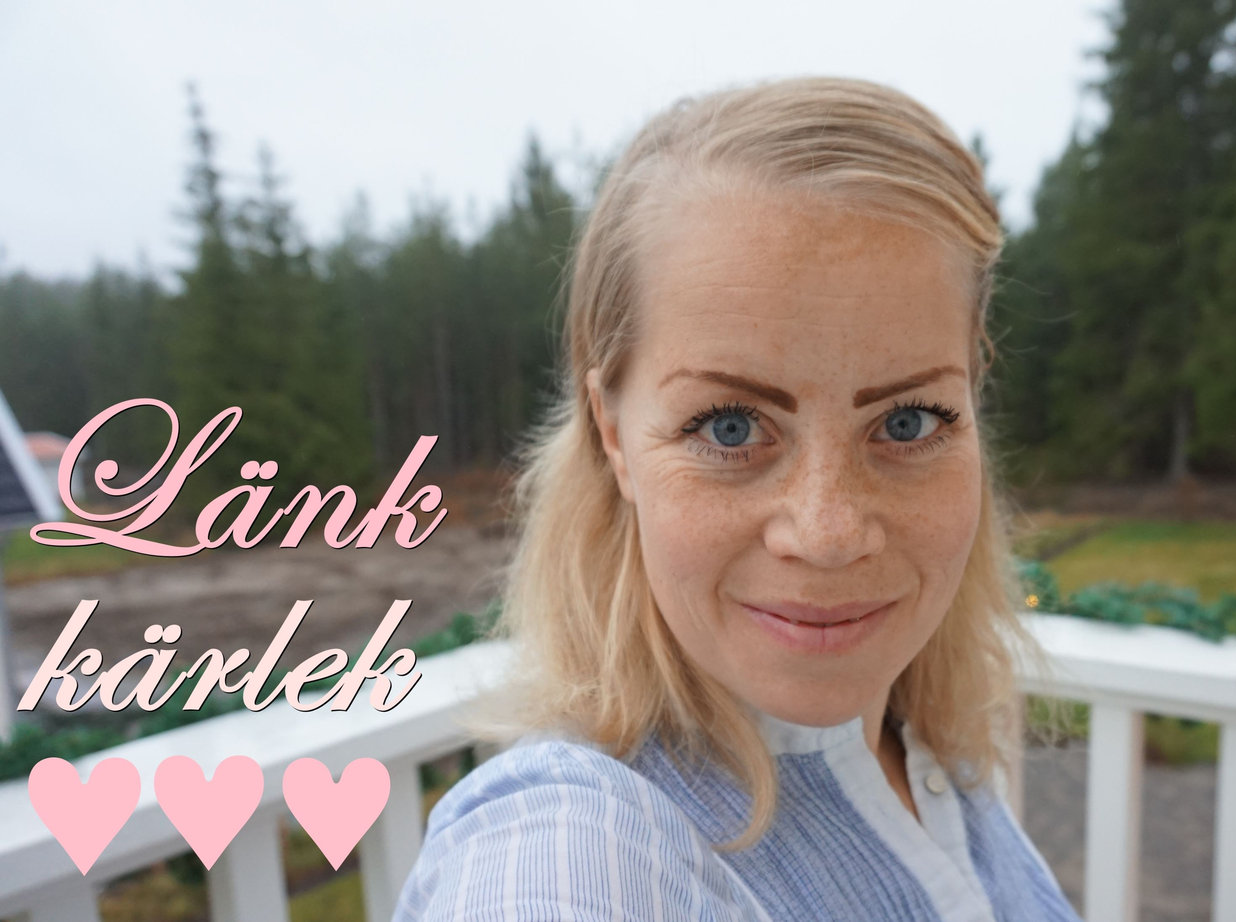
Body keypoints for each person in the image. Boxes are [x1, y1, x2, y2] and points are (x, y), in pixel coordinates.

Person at [393, 74, 1082, 922]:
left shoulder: (923, 748)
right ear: (611, 430)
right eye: (729, 427)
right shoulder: (575, 845)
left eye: (907, 421)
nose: (828, 533)